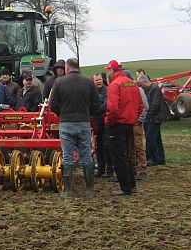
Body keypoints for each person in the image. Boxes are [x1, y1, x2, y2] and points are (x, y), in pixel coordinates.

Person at [49, 57, 101, 198]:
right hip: (83, 122)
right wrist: (87, 114)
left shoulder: (59, 82)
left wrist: (61, 114)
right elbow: (96, 105)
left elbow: (52, 104)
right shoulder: (88, 83)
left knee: (67, 156)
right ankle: (89, 190)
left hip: (66, 123)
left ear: (67, 67)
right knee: (86, 155)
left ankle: (67, 191)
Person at [104, 60, 143, 196]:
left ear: (112, 71)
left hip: (117, 125)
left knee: (119, 157)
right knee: (126, 155)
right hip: (129, 124)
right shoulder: (132, 83)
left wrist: (109, 122)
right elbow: (140, 106)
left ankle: (125, 187)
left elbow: (113, 108)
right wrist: (133, 118)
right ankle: (131, 185)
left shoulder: (114, 85)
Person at [139, 74, 168, 167]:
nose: (141, 87)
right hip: (155, 117)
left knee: (150, 137)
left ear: (144, 82)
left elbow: (154, 105)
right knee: (156, 138)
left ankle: (153, 158)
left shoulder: (154, 89)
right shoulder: (152, 89)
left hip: (155, 117)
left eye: (141, 85)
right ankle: (160, 158)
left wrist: (148, 116)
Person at [91, 73, 111, 177]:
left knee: (107, 146)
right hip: (96, 123)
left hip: (106, 122)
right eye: (96, 80)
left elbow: (106, 105)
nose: (98, 81)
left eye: (100, 79)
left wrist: (95, 110)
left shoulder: (108, 90)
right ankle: (101, 168)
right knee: (98, 147)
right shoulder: (91, 92)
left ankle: (109, 169)